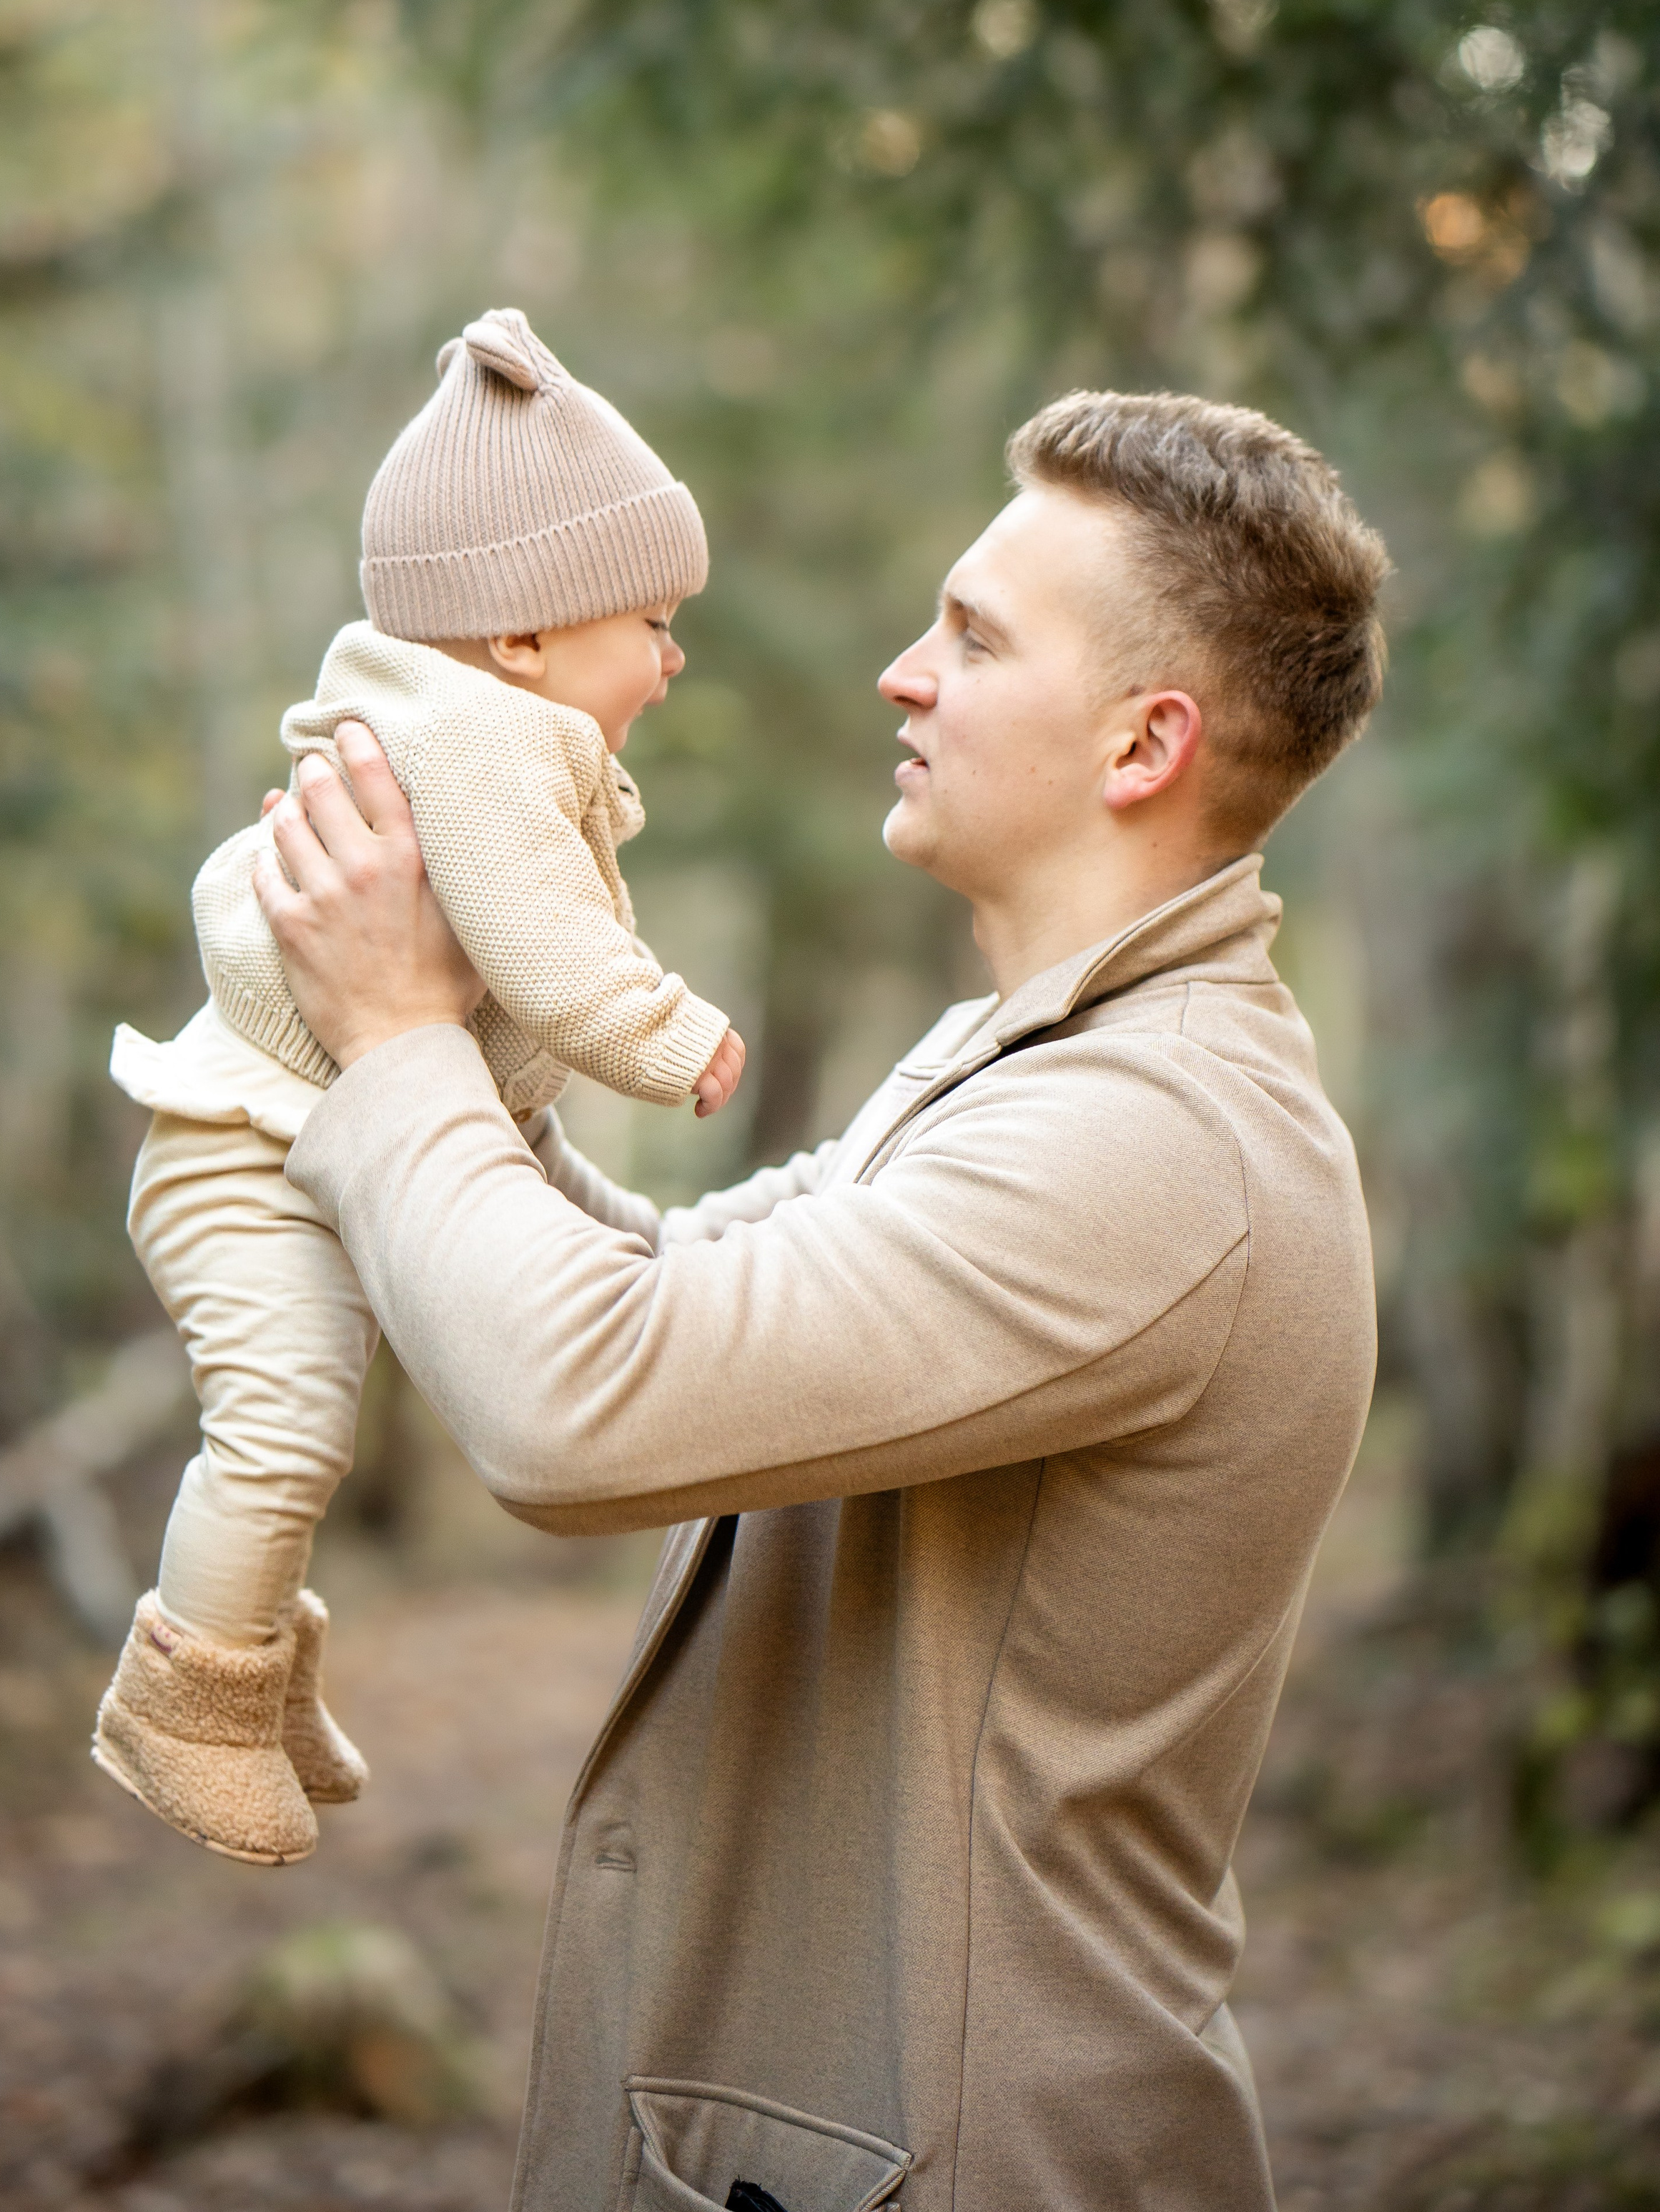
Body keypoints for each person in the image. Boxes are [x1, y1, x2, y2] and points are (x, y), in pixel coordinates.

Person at [251, 390, 1389, 2211]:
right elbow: (671, 1285)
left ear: (1142, 742)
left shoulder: (1151, 1140)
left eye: (973, 639)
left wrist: (396, 1044)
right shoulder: (1030, 1069)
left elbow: (578, 1402)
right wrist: (455, 1032)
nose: (900, 675)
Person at [93, 309, 746, 1867]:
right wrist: (669, 1034)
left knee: (329, 1397)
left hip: (304, 1124)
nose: (672, 658)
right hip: (242, 1150)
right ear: (522, 638)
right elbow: (547, 946)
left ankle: (260, 1673)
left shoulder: (458, 722)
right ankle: (189, 1701)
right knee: (280, 1426)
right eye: (652, 622)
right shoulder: (475, 743)